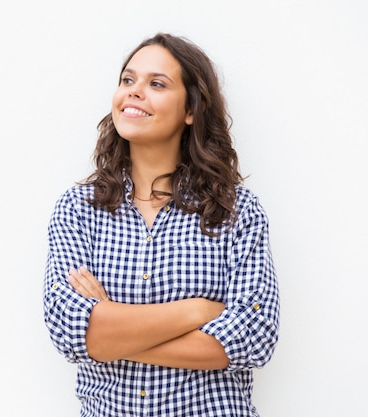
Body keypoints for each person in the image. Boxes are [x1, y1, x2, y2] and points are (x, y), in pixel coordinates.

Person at [43, 32, 280, 417]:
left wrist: (110, 330)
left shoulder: (236, 210)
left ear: (191, 110)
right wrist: (199, 311)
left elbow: (252, 339)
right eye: (128, 80)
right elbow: (71, 332)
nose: (135, 92)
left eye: (156, 84)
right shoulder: (78, 209)